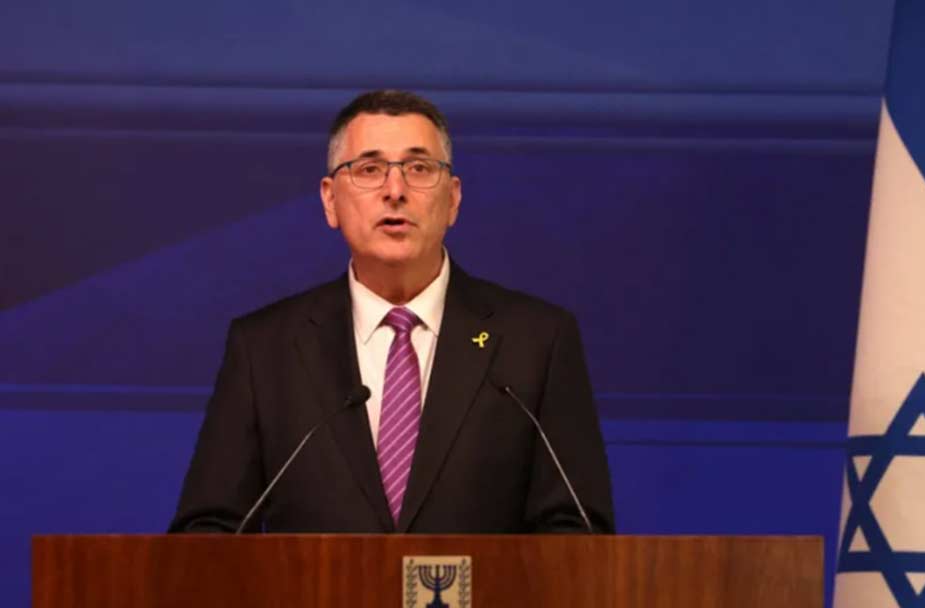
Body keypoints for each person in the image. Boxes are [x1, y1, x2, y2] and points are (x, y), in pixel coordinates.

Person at [169, 90, 614, 534]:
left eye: (419, 168)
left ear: (453, 199)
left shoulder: (536, 342)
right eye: (369, 169)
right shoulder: (264, 349)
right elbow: (208, 531)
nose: (395, 191)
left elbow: (576, 531)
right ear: (330, 200)